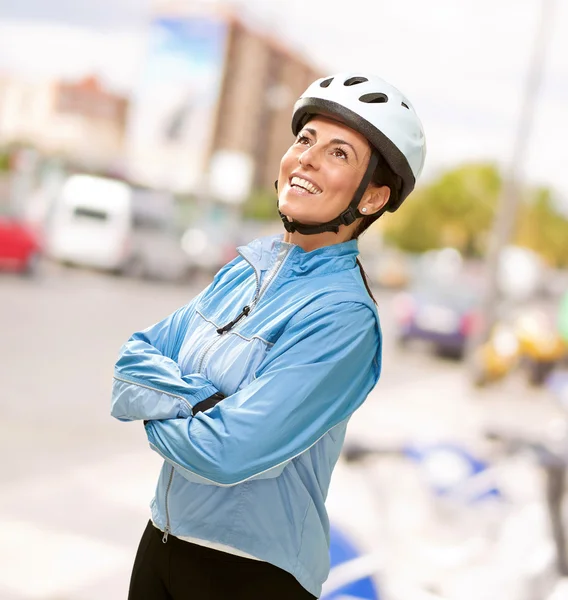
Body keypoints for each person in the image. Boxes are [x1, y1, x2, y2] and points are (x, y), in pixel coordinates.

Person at [111, 72, 426, 599]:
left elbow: (227, 453)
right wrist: (204, 403)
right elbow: (130, 364)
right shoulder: (243, 270)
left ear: (372, 198)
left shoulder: (344, 316)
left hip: (250, 575)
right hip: (161, 542)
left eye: (339, 153)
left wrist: (157, 407)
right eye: (305, 140)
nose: (307, 157)